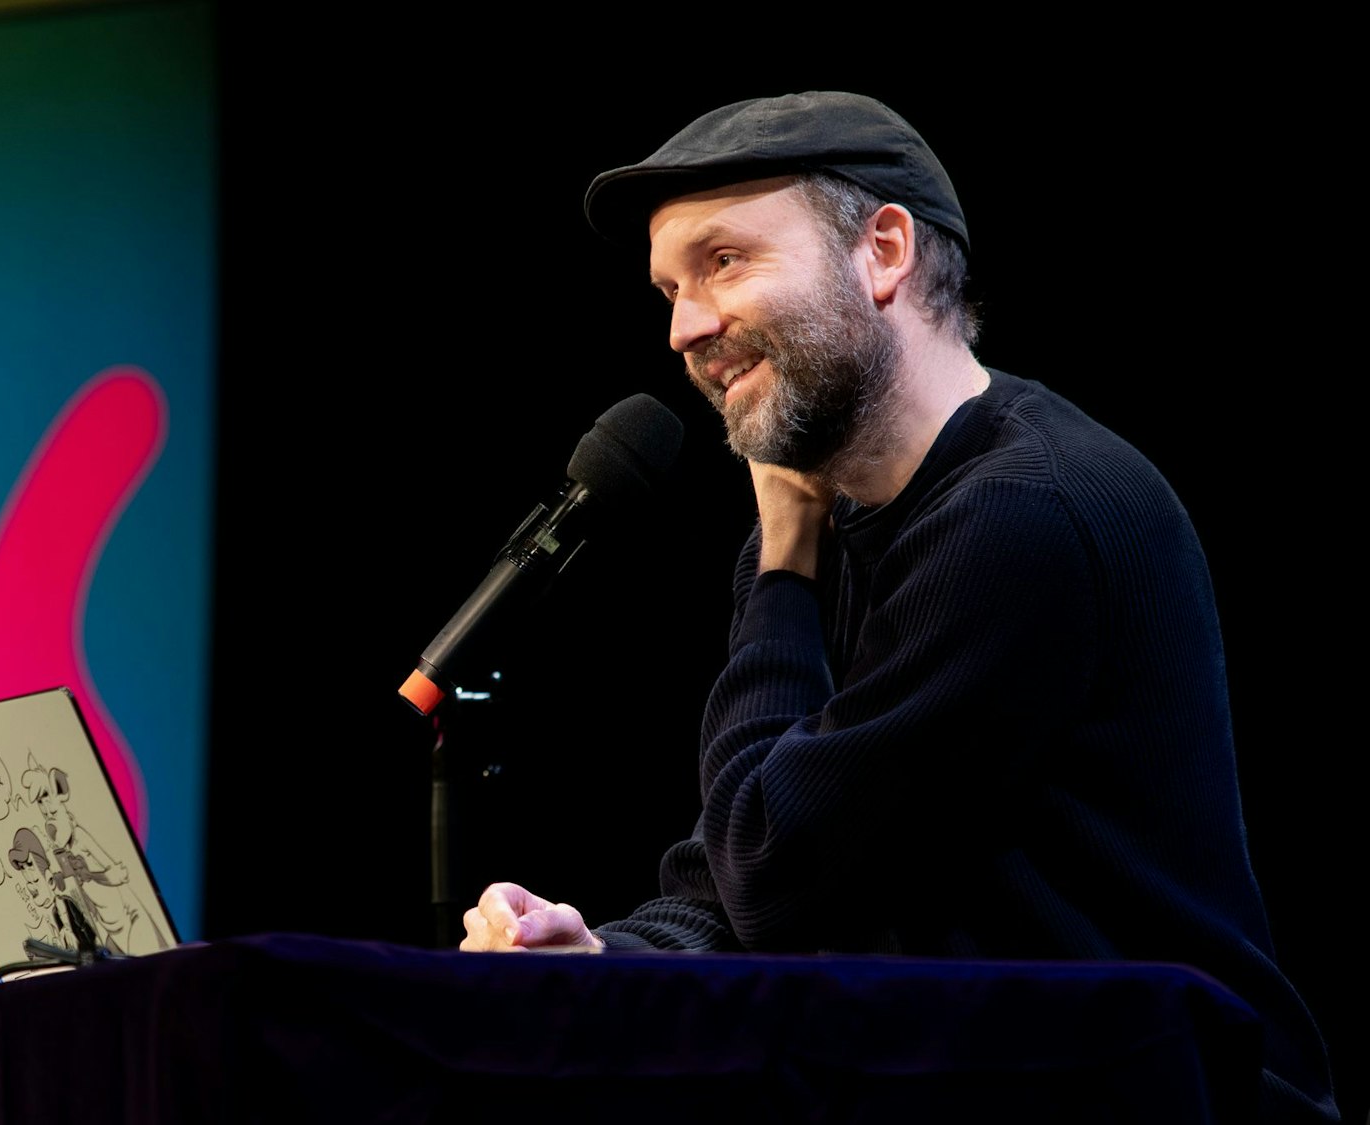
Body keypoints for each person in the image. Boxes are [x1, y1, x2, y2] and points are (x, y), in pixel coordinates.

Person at [457, 90, 1338, 1123]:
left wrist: (781, 572)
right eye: (667, 288)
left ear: (881, 253)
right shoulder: (825, 524)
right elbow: (729, 885)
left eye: (723, 262)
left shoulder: (1024, 513)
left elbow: (782, 874)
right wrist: (605, 955)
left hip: (1163, 1100)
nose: (683, 327)